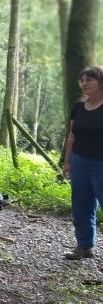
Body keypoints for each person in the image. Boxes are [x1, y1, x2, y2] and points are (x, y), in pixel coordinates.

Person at [61, 66, 103, 260]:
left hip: (101, 164)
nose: (85, 84)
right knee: (81, 206)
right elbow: (71, 136)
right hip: (79, 162)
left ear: (100, 82)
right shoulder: (78, 107)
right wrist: (67, 161)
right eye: (82, 80)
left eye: (90, 80)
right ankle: (84, 246)